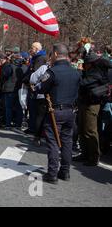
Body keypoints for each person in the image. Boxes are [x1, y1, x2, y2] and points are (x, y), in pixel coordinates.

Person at [35, 44, 81, 184]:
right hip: (71, 111)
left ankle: (52, 173)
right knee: (67, 141)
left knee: (53, 142)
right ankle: (65, 171)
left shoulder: (52, 72)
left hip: (56, 111)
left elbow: (41, 88)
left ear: (55, 54)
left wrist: (37, 86)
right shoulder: (75, 72)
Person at [73, 52, 112, 166]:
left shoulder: (97, 73)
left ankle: (94, 156)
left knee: (90, 130)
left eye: (86, 64)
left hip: (92, 104)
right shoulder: (91, 71)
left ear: (91, 63)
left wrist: (79, 72)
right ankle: (85, 153)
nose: (84, 65)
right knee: (82, 128)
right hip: (84, 102)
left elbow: (83, 83)